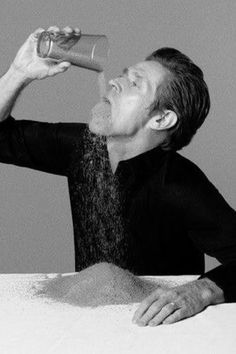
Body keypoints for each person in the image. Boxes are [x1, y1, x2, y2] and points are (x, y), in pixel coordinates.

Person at [0, 26, 236, 327]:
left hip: (161, 335)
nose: (115, 81)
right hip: (89, 328)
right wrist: (18, 73)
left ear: (162, 118)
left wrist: (202, 290)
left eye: (135, 83)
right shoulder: (84, 148)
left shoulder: (179, 184)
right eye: (125, 74)